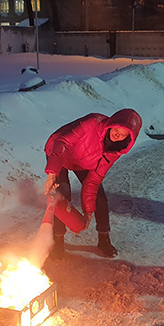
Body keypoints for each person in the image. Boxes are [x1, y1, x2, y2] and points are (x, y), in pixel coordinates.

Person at [43, 108, 142, 259]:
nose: (118, 135)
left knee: (99, 198)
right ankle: (58, 241)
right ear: (111, 124)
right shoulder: (92, 123)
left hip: (84, 161)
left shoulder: (114, 151)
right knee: (61, 196)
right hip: (59, 153)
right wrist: (52, 173)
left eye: (123, 134)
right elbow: (62, 142)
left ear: (129, 138)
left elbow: (93, 181)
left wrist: (88, 213)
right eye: (117, 129)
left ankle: (104, 240)